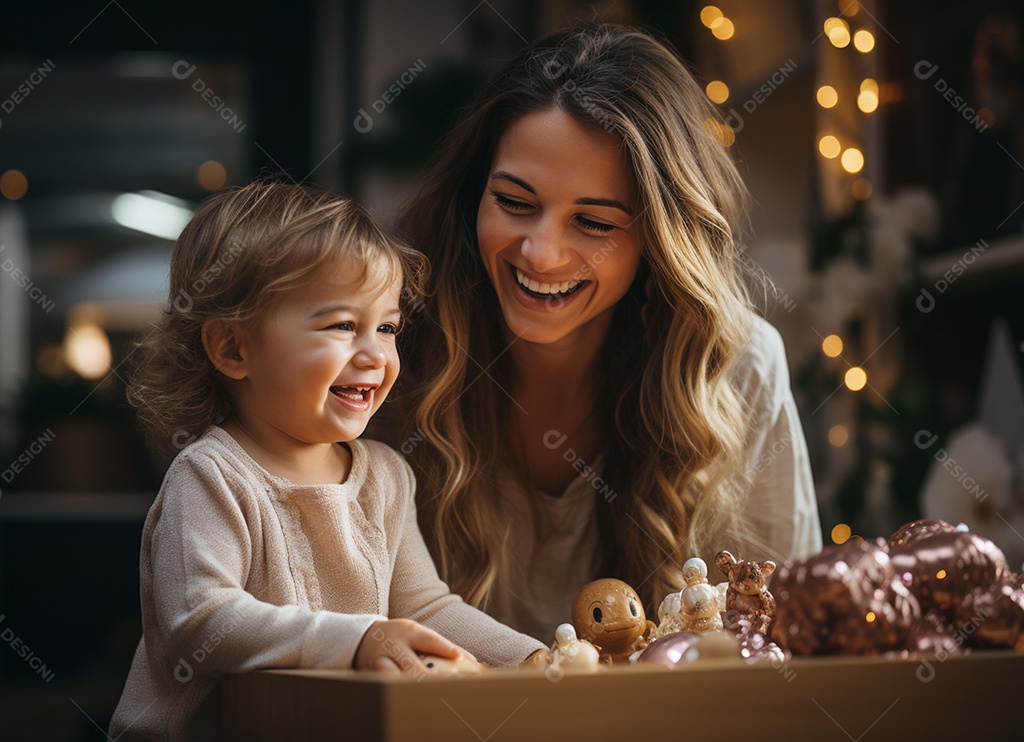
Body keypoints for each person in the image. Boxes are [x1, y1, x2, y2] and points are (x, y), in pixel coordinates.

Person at [387, 23, 823, 644]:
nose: (541, 253)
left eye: (593, 222)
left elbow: (781, 640)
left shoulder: (738, 366)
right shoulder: (386, 353)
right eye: (514, 203)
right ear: (472, 197)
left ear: (659, 238)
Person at [109, 182, 544, 741]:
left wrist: (534, 661)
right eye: (342, 325)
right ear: (232, 348)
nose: (375, 354)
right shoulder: (210, 476)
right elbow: (198, 623)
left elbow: (426, 609)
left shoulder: (385, 476)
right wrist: (357, 640)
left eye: (387, 327)